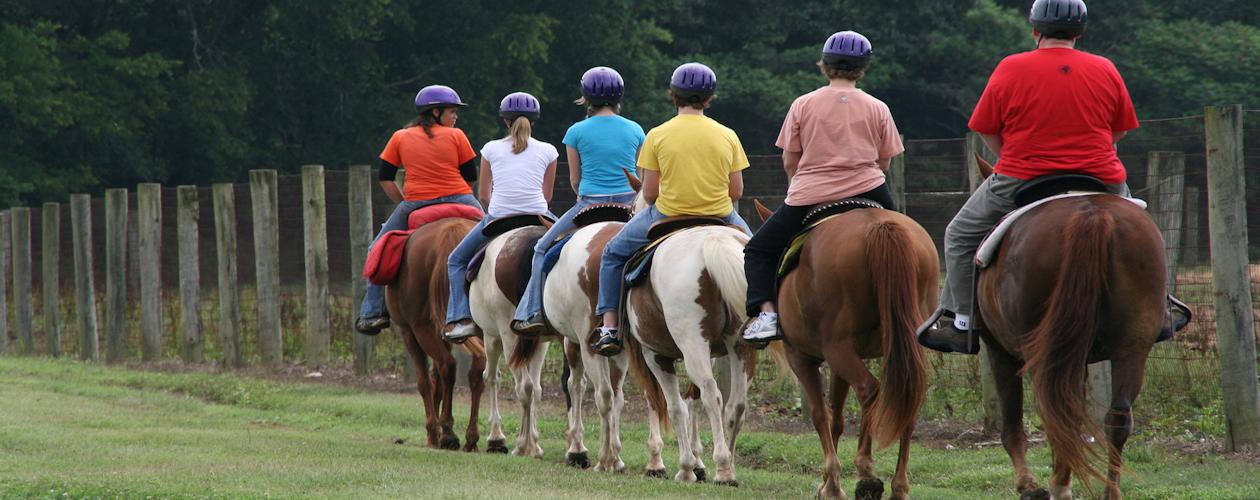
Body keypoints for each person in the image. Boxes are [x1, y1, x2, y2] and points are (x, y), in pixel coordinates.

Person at [919, 0, 1141, 353]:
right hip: (1099, 174)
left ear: (1035, 30)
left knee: (959, 234)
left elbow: (985, 128)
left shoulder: (1012, 67)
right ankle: (1158, 305)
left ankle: (962, 322)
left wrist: (1008, 155)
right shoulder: (1105, 67)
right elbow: (1121, 130)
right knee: (1144, 231)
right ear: (1079, 32)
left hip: (1023, 175)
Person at [741, 31, 904, 344]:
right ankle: (926, 313)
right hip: (870, 190)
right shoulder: (878, 107)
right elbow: (884, 164)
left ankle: (767, 316)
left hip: (812, 193)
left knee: (759, 250)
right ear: (863, 68)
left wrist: (797, 185)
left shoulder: (803, 104)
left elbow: (791, 160)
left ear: (825, 65)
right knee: (907, 242)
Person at [590, 62, 752, 357]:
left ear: (673, 95)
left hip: (667, 214)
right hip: (720, 214)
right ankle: (765, 315)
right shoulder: (728, 134)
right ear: (710, 97)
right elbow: (737, 191)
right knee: (758, 256)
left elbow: (649, 194)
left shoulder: (658, 134)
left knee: (613, 253)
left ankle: (610, 326)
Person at [510, 67, 646, 335]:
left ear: (585, 97)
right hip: (629, 205)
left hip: (589, 204)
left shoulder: (575, 131)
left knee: (540, 248)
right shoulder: (636, 129)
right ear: (619, 96)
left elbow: (575, 180)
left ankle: (531, 311)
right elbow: (639, 177)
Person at [355, 85, 482, 335]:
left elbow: (386, 177)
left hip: (417, 201)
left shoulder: (400, 137)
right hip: (461, 198)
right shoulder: (457, 136)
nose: (455, 117)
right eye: (452, 111)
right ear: (435, 112)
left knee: (377, 249)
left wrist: (404, 201)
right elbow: (470, 176)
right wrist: (456, 194)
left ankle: (371, 313)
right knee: (496, 234)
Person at [444, 92, 559, 341]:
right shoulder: (549, 151)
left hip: (498, 218)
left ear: (505, 121)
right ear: (535, 121)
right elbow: (546, 195)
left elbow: (484, 195)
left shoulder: (490, 149)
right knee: (568, 251)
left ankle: (460, 319)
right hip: (538, 216)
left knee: (455, 261)